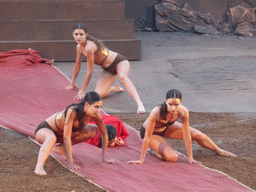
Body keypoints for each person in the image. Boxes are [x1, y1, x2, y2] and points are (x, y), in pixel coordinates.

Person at [128, 89, 237, 165]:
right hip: (151, 133)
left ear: (181, 103)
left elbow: (186, 135)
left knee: (197, 134)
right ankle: (155, 152)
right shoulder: (156, 112)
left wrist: (190, 158)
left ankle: (219, 150)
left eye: (176, 105)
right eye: (170, 104)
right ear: (166, 102)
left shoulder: (183, 111)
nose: (173, 108)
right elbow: (146, 137)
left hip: (166, 128)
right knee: (172, 157)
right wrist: (141, 160)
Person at [66, 23, 145, 114]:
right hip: (108, 69)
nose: (78, 37)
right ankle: (114, 88)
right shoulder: (79, 47)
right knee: (98, 95)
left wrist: (82, 90)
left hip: (119, 62)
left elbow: (90, 72)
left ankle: (139, 103)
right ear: (73, 35)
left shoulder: (89, 47)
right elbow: (77, 64)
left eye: (81, 34)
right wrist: (72, 83)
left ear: (86, 35)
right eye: (76, 34)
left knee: (122, 77)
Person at [34, 91, 113, 175]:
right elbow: (66, 137)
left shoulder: (96, 115)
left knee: (93, 130)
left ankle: (60, 148)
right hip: (45, 130)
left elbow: (104, 134)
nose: (98, 110)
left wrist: (104, 158)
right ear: (86, 104)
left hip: (60, 135)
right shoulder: (72, 111)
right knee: (51, 137)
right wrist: (70, 162)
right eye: (96, 107)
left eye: (100, 107)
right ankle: (39, 167)